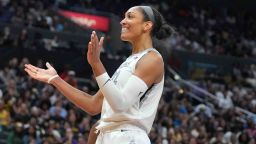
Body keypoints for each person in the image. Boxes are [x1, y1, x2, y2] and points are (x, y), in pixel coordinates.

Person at [24, 5, 174, 144]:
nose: (123, 21)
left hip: (129, 137)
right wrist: (55, 79)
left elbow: (120, 105)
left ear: (147, 25)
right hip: (108, 136)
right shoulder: (128, 62)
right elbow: (93, 105)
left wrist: (96, 64)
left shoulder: (153, 59)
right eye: (124, 17)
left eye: (130, 16)